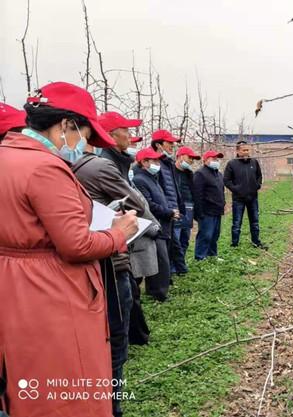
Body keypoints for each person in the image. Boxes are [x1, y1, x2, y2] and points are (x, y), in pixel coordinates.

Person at [0, 81, 138, 417]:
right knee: (68, 385)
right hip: (51, 292)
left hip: (16, 287)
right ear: (66, 125)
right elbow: (76, 243)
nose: (85, 146)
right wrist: (119, 233)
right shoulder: (45, 167)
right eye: (86, 136)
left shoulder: (8, 156)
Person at [73, 111, 147, 417]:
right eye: (125, 132)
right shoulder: (100, 167)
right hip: (108, 260)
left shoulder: (75, 166)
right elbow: (138, 204)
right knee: (114, 340)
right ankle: (110, 406)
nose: (129, 138)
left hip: (93, 262)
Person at [132, 147, 176, 301]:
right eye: (155, 160)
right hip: (154, 225)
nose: (158, 164)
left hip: (162, 223)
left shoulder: (152, 178)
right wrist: (167, 212)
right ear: (144, 162)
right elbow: (147, 205)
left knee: (161, 258)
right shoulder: (139, 179)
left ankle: (155, 289)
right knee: (161, 259)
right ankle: (159, 293)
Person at [151, 129, 186, 275]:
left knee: (173, 244)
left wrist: (178, 207)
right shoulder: (154, 163)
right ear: (159, 144)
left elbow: (173, 188)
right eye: (169, 143)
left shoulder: (167, 162)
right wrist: (168, 210)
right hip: (162, 213)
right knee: (165, 247)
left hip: (171, 211)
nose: (172, 145)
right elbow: (158, 192)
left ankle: (174, 273)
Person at [224, 140, 267, 249]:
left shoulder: (254, 162)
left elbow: (259, 176)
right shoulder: (231, 164)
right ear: (238, 151)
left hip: (253, 198)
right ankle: (234, 244)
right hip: (238, 198)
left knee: (255, 222)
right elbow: (226, 180)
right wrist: (236, 189)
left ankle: (256, 242)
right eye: (244, 150)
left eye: (248, 150)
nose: (246, 152)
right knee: (237, 223)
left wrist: (257, 186)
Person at [193, 150, 226, 260]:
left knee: (214, 235)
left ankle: (212, 255)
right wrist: (199, 212)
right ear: (205, 160)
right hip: (206, 211)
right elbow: (197, 194)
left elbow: (221, 190)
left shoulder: (219, 174)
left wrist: (223, 204)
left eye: (217, 159)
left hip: (217, 210)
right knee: (205, 235)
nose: (216, 161)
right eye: (213, 159)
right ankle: (200, 257)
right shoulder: (200, 174)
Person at [173, 146, 201, 271]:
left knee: (185, 238)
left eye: (193, 159)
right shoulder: (170, 172)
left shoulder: (189, 174)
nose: (191, 161)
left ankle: (181, 264)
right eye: (189, 158)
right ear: (180, 156)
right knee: (176, 240)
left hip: (189, 207)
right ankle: (173, 267)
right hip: (176, 208)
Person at [99, 111, 142, 184]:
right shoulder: (106, 164)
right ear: (110, 135)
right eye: (125, 130)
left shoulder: (120, 160)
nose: (130, 135)